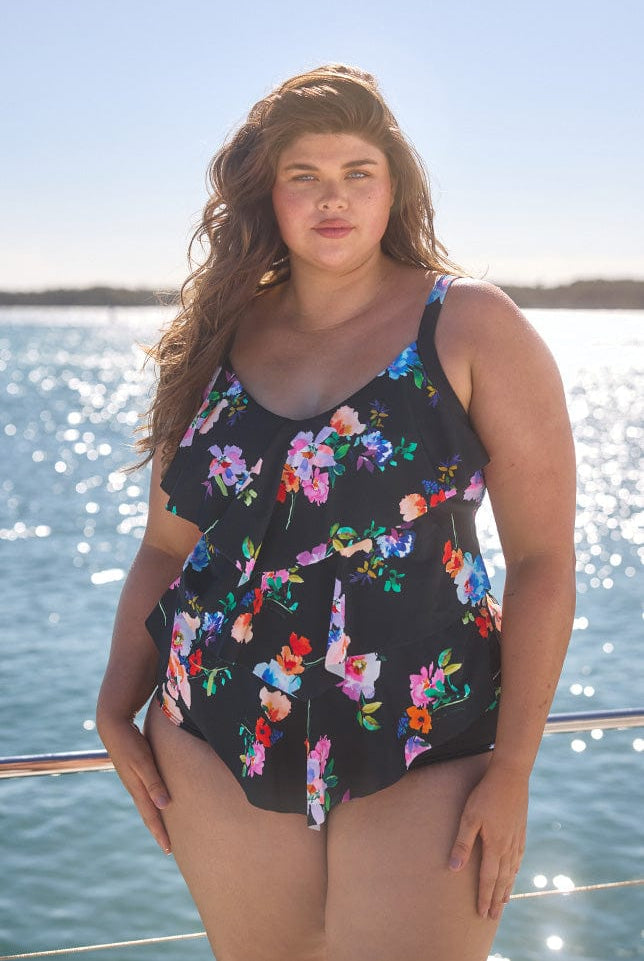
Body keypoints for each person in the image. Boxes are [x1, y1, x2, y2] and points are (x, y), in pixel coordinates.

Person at [96, 64, 576, 961]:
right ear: (265, 197)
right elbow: (167, 545)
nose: (334, 200)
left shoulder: (471, 326)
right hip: (217, 729)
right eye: (304, 177)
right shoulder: (212, 345)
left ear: (394, 188)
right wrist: (114, 703)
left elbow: (544, 559)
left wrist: (512, 771)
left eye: (359, 172)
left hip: (427, 726)